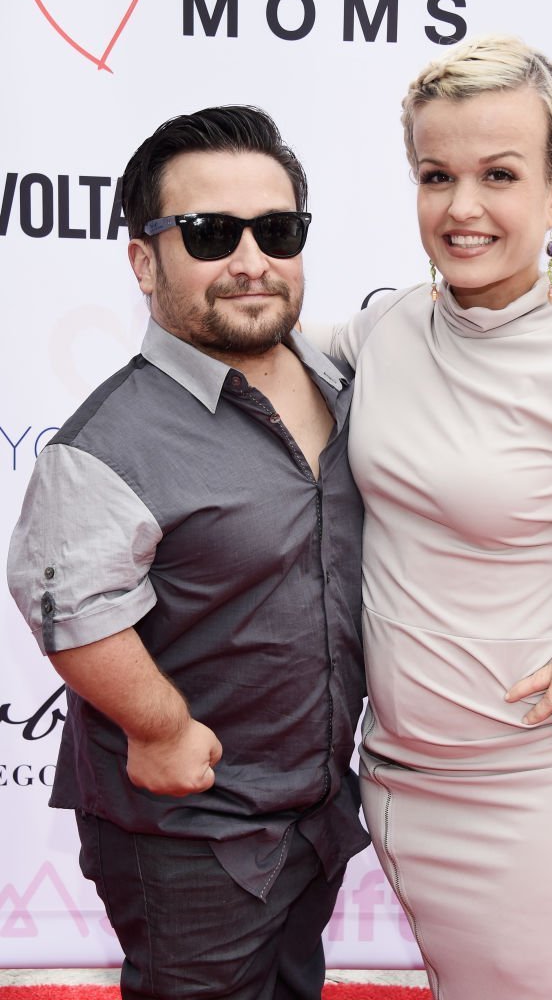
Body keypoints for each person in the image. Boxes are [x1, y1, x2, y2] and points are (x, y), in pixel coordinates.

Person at [305, 35, 552, 1000]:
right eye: (435, 175)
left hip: (548, 789)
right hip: (409, 781)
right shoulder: (390, 326)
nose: (462, 207)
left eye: (499, 175)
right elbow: (276, 352)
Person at [7, 105, 368, 1000]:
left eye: (276, 230)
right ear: (144, 259)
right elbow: (65, 604)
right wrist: (159, 728)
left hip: (316, 809)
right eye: (209, 234)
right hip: (189, 834)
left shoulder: (345, 382)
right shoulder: (109, 440)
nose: (251, 260)